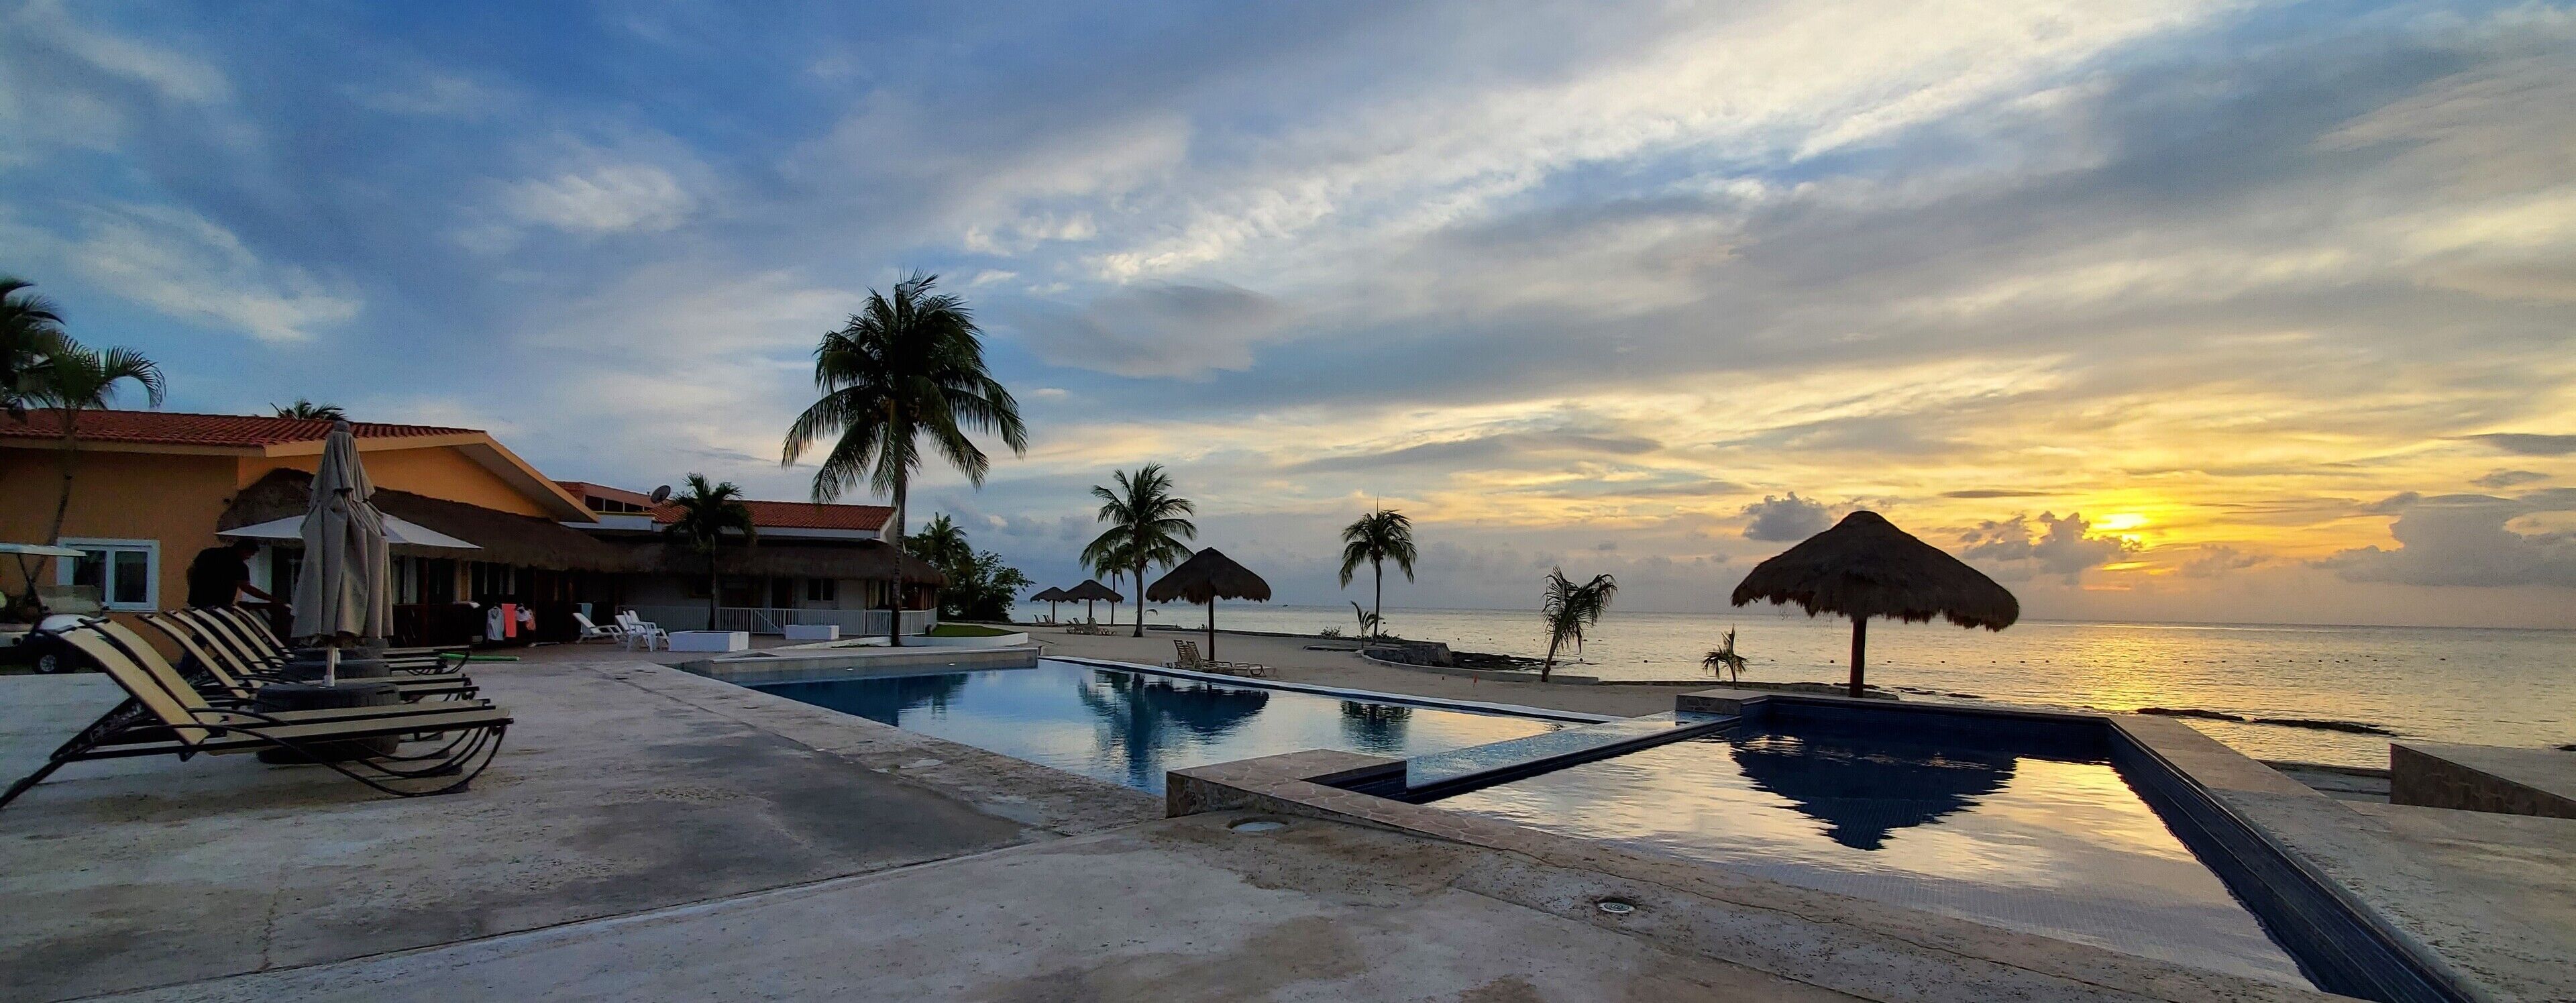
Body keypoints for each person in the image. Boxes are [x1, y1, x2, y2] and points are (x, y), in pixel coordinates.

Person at [185, 540, 283, 610]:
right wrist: (272, 599)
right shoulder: (239, 566)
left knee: (202, 630)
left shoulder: (208, 553)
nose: (249, 558)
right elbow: (247, 588)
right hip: (220, 607)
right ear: (243, 550)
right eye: (250, 554)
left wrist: (194, 588)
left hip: (197, 602)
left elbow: (190, 571)